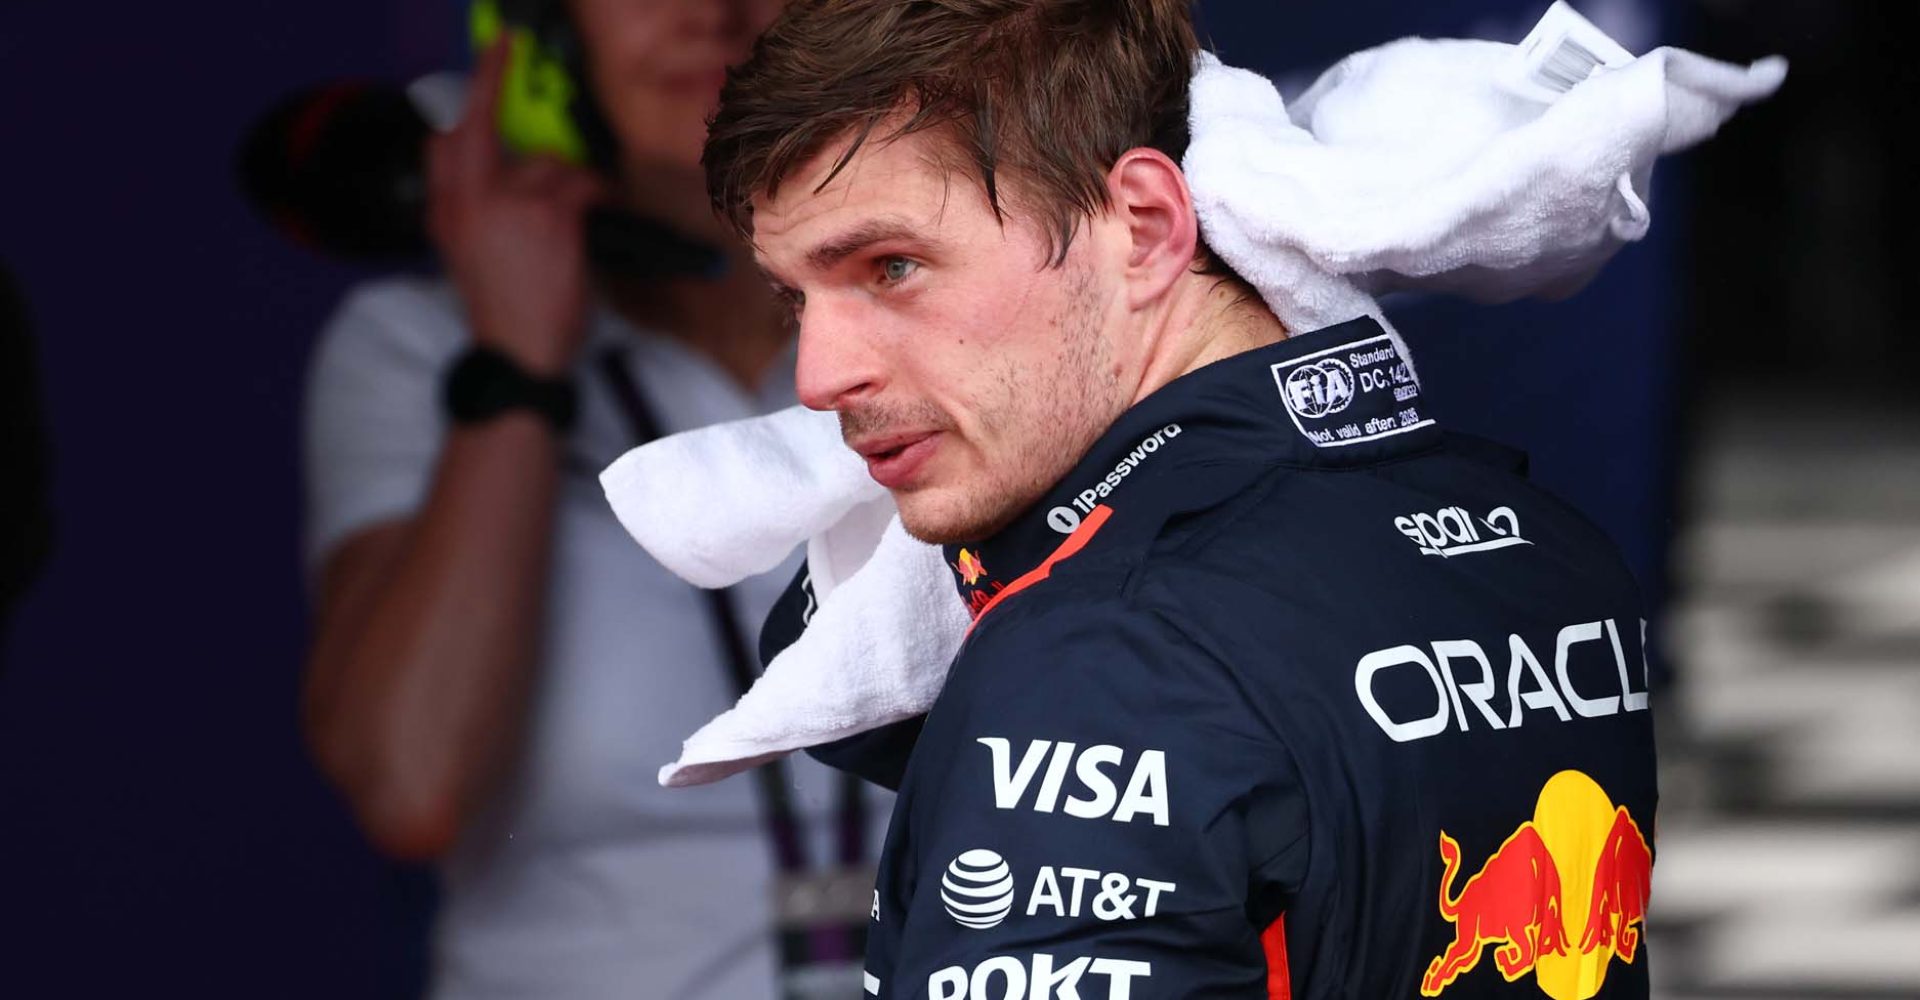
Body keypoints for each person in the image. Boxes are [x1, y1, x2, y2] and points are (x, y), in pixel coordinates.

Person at [703, 0, 1659, 997]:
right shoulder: (1548, 548)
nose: (819, 376)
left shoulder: (1106, 649)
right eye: (797, 298)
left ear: (1145, 228)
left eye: (893, 267)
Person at [299, 1, 880, 997]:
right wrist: (516, 362)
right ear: (540, 33)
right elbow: (409, 782)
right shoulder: (416, 346)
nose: (712, 15)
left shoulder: (954, 320)